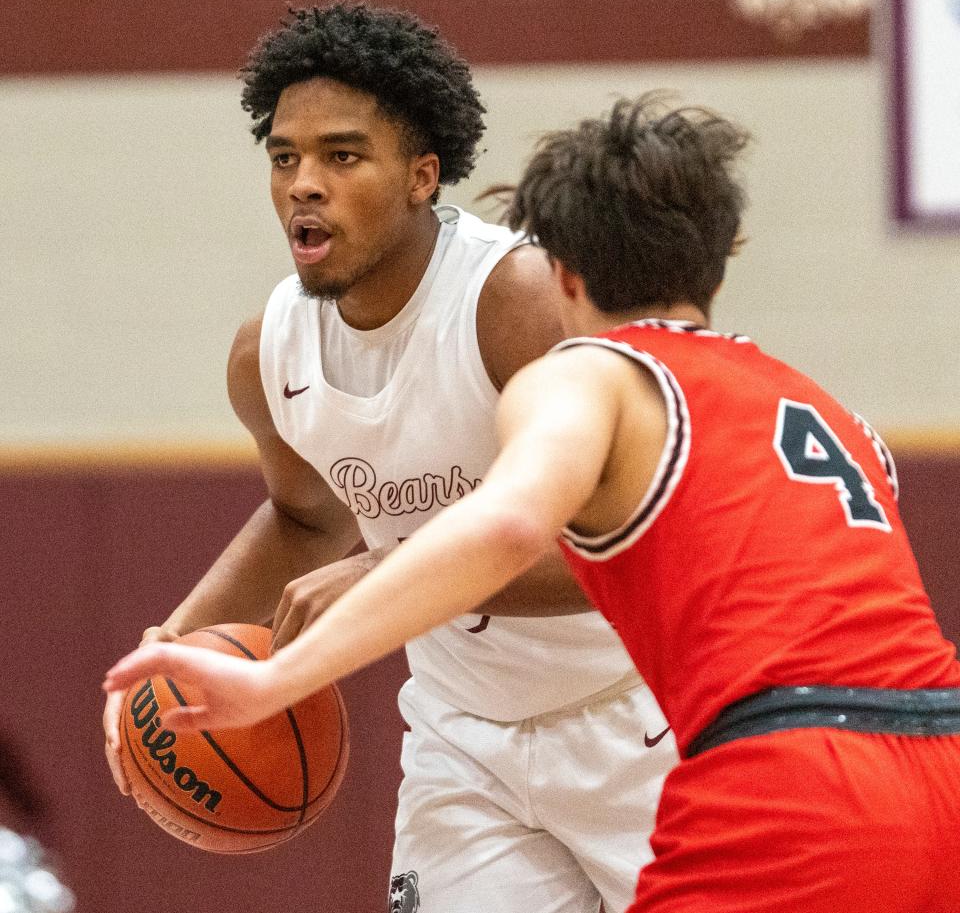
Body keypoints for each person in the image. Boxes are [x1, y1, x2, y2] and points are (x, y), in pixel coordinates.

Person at [106, 92, 960, 913]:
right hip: (940, 754)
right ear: (723, 251)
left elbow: (513, 527)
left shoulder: (593, 375)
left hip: (786, 768)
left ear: (562, 274)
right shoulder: (825, 409)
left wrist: (285, 676)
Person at [101, 1, 675, 913]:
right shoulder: (270, 352)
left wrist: (395, 572)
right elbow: (305, 518)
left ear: (421, 175)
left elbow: (634, 546)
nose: (303, 184)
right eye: (284, 157)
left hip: (635, 720)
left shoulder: (511, 301)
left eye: (341, 155)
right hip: (463, 741)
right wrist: (171, 648)